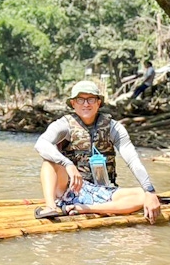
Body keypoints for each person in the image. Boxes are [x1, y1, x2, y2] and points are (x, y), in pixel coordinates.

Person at [34, 80, 160, 223]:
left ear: (98, 103)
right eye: (80, 100)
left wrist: (149, 190)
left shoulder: (114, 128)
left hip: (102, 191)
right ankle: (51, 206)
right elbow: (41, 144)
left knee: (143, 195)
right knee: (49, 161)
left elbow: (132, 160)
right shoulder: (63, 124)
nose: (86, 104)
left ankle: (86, 208)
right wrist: (68, 164)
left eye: (91, 99)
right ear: (73, 103)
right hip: (70, 189)